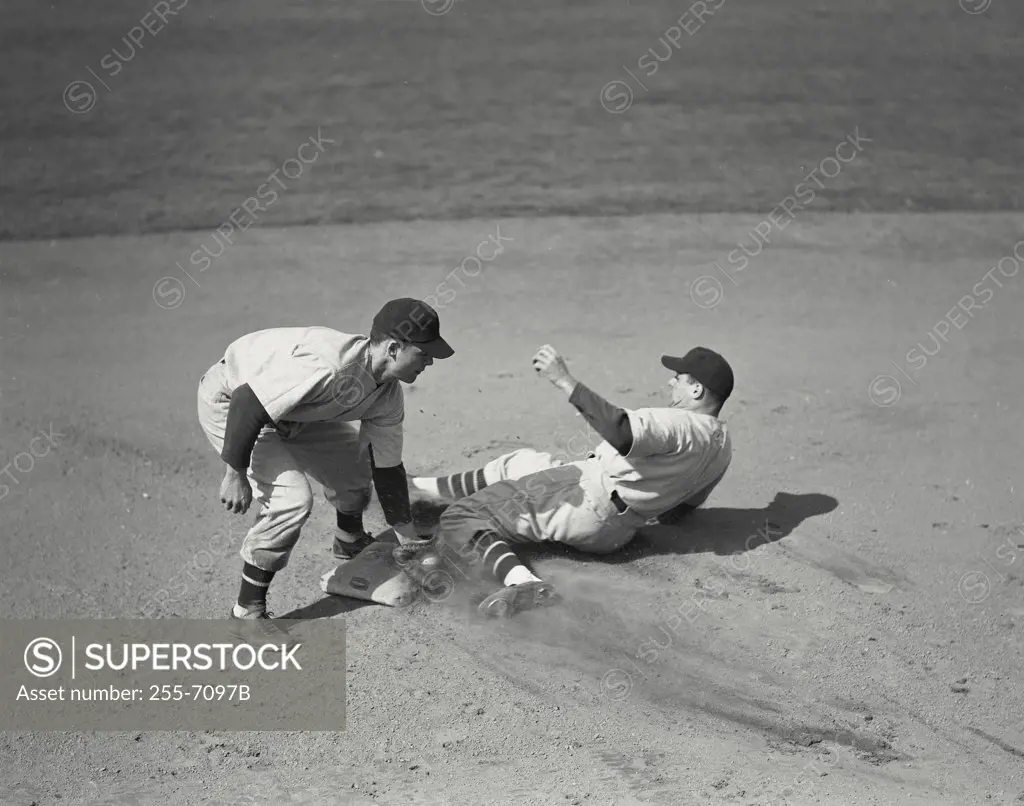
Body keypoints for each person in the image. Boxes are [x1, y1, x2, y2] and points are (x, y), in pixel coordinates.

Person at [409, 344, 733, 618]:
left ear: (696, 389)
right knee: (522, 463)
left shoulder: (679, 423)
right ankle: (420, 488)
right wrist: (646, 501)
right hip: (618, 532)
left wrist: (564, 380)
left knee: (463, 517)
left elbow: (621, 431)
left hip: (582, 499)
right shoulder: (722, 446)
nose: (670, 383)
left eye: (678, 379)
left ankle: (522, 583)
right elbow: (684, 508)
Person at [196, 298, 454, 621]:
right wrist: (235, 472)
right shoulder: (329, 366)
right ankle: (246, 610)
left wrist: (409, 540)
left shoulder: (387, 395)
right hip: (231, 402)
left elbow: (386, 470)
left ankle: (349, 541)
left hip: (293, 410)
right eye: (424, 352)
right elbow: (248, 401)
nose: (429, 361)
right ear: (392, 348)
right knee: (291, 500)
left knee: (356, 468)